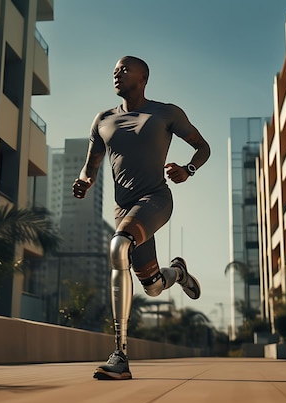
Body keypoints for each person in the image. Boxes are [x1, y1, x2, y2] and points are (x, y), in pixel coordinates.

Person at [72, 56, 211, 380]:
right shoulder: (103, 119)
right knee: (151, 286)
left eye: (124, 69)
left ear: (143, 77)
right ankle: (177, 273)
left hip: (155, 200)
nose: (116, 74)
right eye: (114, 70)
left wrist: (188, 169)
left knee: (118, 246)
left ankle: (120, 355)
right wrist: (84, 181)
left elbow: (202, 147)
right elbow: (90, 166)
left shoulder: (165, 113)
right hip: (124, 210)